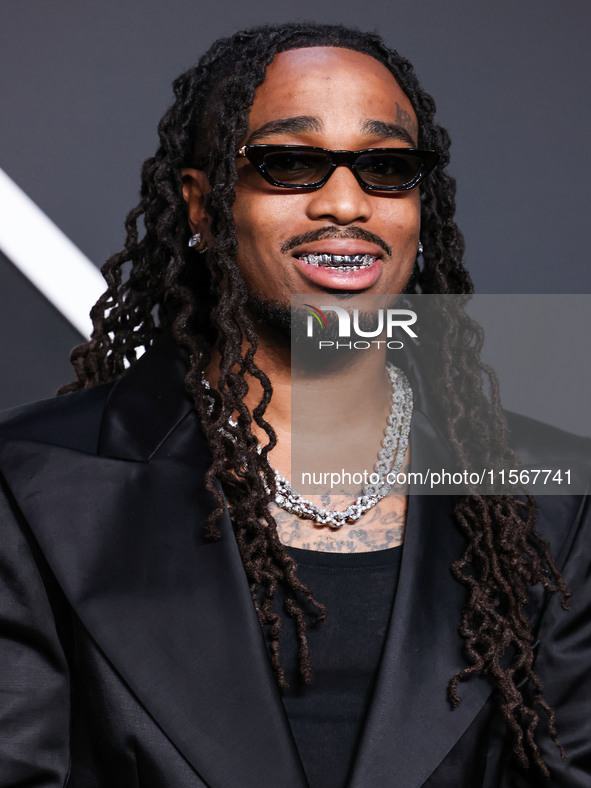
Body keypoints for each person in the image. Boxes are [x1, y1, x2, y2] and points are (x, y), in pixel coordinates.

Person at [0, 22, 589, 788]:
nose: (344, 203)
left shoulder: (552, 499)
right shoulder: (33, 482)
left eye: (386, 167)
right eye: (289, 164)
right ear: (202, 205)